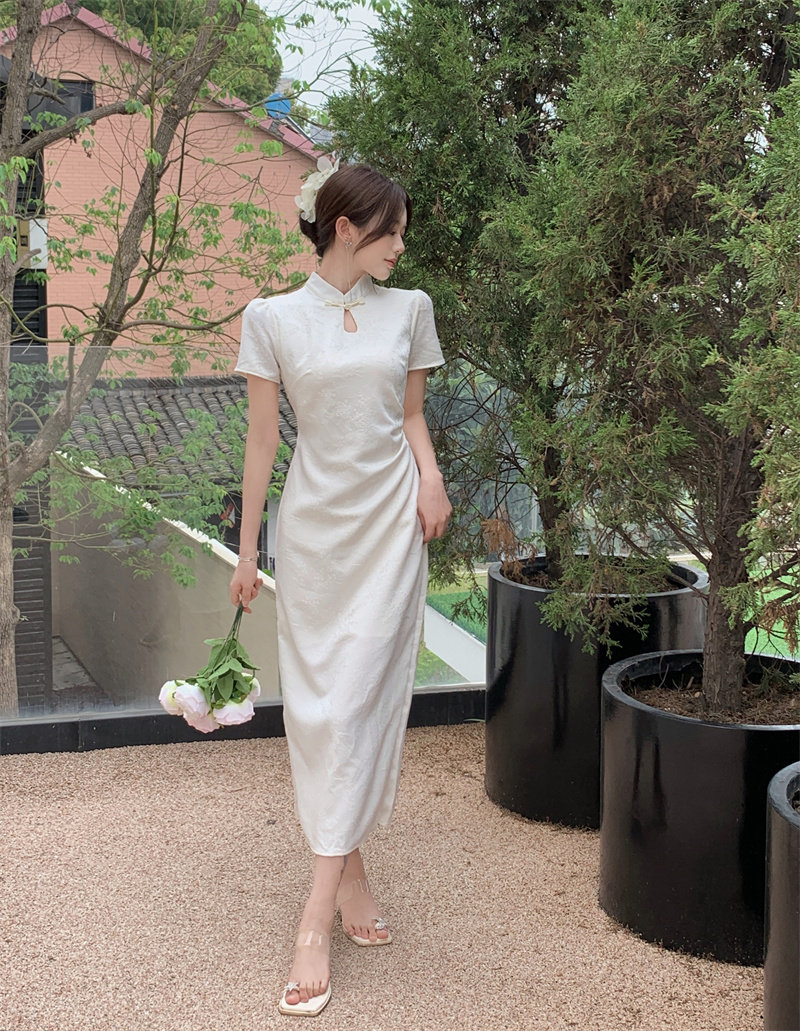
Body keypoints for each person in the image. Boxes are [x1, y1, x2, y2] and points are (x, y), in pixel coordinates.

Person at [229, 160, 451, 1017]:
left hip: (391, 526)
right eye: (392, 230)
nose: (402, 246)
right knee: (322, 713)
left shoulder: (411, 308)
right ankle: (351, 870)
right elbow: (261, 442)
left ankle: (313, 919)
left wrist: (432, 479)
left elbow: (411, 416)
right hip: (313, 537)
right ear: (347, 228)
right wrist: (246, 551)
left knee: (354, 701)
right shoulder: (272, 318)